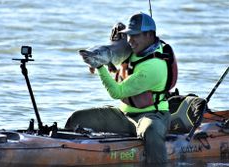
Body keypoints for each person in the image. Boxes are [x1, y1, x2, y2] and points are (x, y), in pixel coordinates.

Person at [65, 12, 177, 164]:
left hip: (152, 115)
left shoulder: (154, 66)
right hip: (124, 115)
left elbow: (117, 92)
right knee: (78, 118)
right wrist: (111, 45)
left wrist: (99, 66)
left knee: (151, 129)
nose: (130, 40)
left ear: (150, 35)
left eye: (135, 35)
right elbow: (117, 56)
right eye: (129, 35)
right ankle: (65, 152)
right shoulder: (135, 48)